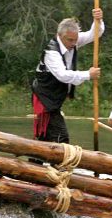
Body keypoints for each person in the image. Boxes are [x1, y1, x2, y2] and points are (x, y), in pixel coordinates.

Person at [32, 9, 104, 144]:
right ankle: (59, 164)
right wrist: (88, 74)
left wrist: (98, 20)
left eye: (75, 40)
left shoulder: (73, 40)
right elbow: (63, 75)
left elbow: (94, 34)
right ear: (59, 35)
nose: (73, 44)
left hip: (55, 98)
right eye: (70, 40)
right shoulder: (51, 53)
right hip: (44, 98)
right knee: (61, 137)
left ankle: (37, 163)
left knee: (45, 139)